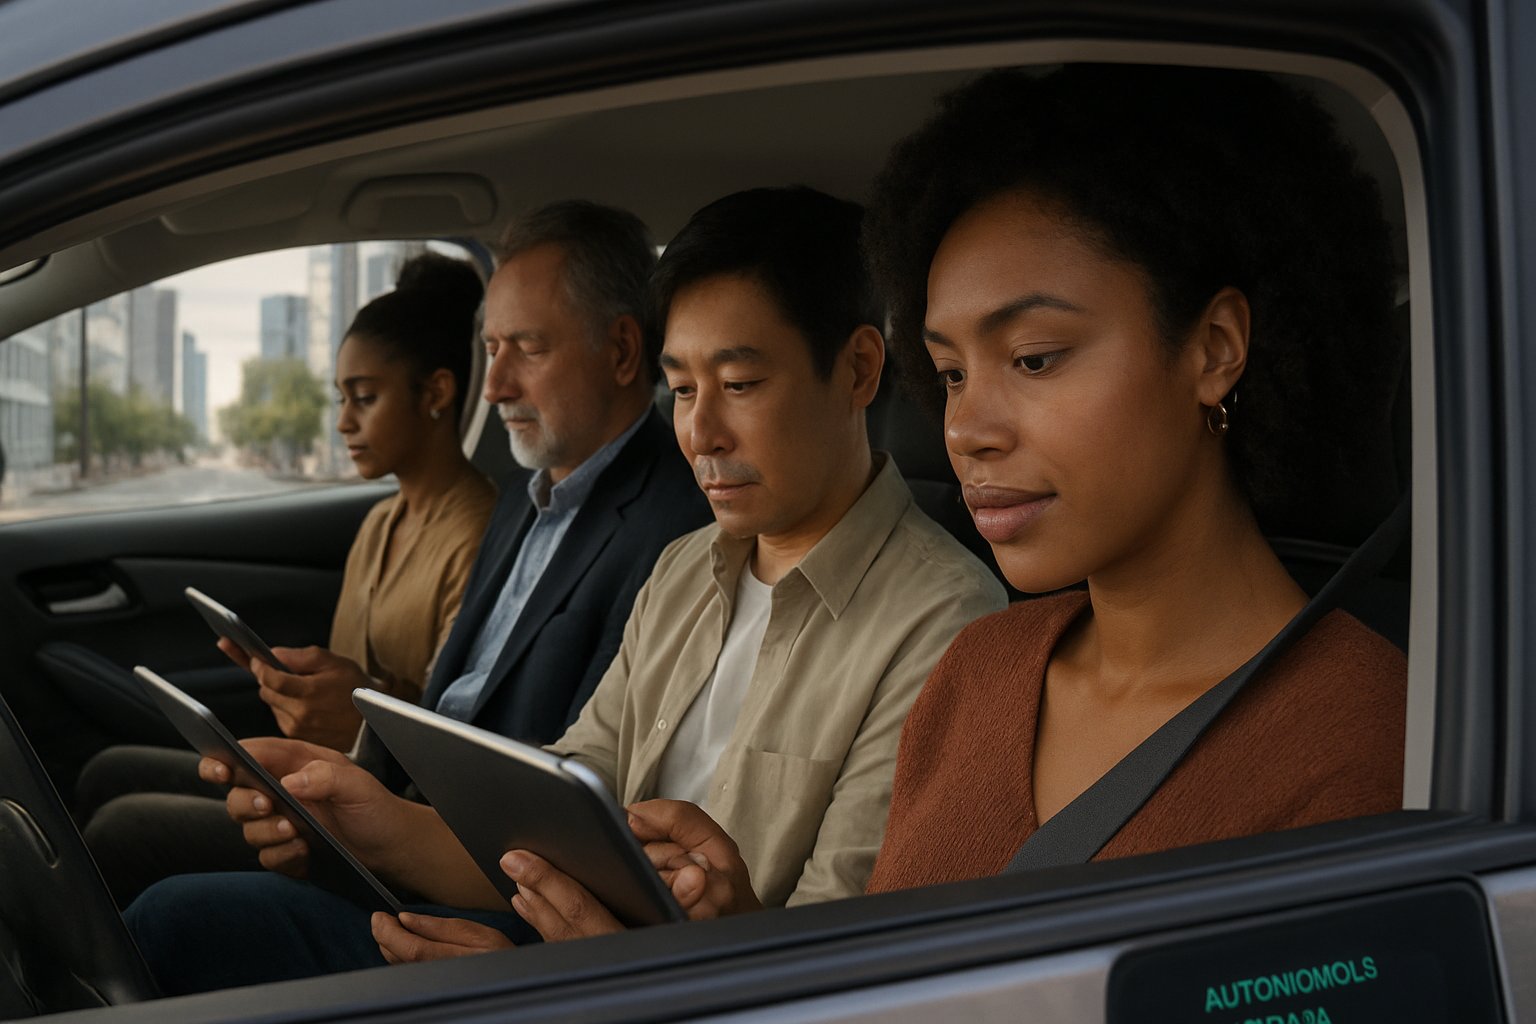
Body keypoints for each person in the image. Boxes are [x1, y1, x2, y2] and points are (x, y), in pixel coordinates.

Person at [124, 186, 1006, 993]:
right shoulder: (684, 570)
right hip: (559, 958)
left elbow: (833, 971)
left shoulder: (945, 626)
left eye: (739, 385)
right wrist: (367, 816)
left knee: (175, 921)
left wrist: (547, 978)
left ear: (858, 370)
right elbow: (560, 818)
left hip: (640, 992)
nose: (699, 431)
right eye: (682, 387)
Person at [850, 64, 1408, 892]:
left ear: (1214, 349)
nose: (964, 429)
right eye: (951, 373)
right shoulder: (979, 669)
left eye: (1034, 359)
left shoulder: (1359, 740)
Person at [77, 251, 498, 903]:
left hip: (391, 811)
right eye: (341, 399)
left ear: (437, 393)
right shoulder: (381, 521)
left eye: (364, 398)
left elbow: (455, 735)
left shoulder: (477, 533)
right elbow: (357, 676)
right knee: (108, 771)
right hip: (339, 771)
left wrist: (359, 716)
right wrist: (302, 693)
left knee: (120, 829)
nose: (342, 423)